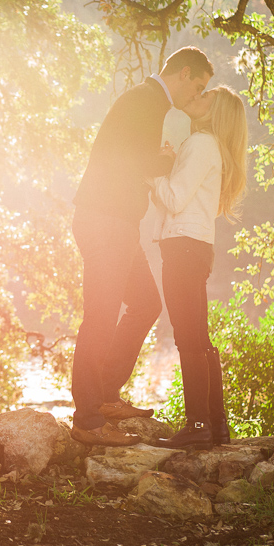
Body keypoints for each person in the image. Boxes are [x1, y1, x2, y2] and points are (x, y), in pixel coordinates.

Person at [70, 47, 214, 447]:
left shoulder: (150, 103)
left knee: (146, 303)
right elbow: (133, 162)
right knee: (100, 315)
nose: (196, 95)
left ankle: (105, 396)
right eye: (198, 86)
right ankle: (88, 420)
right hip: (104, 220)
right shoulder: (146, 101)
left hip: (117, 222)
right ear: (185, 74)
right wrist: (167, 161)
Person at [149, 85, 248, 450]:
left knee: (189, 340)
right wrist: (170, 163)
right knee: (200, 340)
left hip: (183, 247)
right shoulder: (207, 146)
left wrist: (153, 169)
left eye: (204, 96)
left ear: (214, 112)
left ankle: (198, 425)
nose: (195, 96)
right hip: (196, 246)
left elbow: (174, 197)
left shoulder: (202, 143)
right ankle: (216, 425)